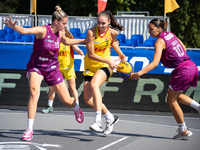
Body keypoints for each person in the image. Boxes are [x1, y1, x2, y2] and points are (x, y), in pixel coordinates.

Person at [3, 5, 85, 141]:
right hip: (36, 66)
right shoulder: (42, 30)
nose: (65, 26)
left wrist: (84, 40)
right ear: (56, 21)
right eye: (63, 23)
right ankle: (29, 129)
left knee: (66, 101)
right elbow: (24, 31)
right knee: (34, 92)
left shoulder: (61, 33)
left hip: (52, 68)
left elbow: (67, 41)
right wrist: (14, 27)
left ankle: (76, 107)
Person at [130, 18, 200, 140]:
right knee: (175, 96)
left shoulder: (159, 42)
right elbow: (183, 48)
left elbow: (155, 63)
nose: (149, 31)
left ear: (159, 29)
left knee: (170, 101)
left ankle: (183, 129)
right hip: (192, 66)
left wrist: (139, 73)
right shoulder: (171, 35)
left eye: (151, 29)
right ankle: (198, 107)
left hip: (183, 70)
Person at [83, 10, 126, 135]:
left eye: (103, 23)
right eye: (98, 23)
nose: (100, 26)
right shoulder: (91, 32)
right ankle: (110, 117)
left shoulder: (113, 32)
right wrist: (108, 59)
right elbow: (90, 54)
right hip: (90, 66)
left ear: (108, 22)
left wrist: (120, 53)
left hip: (104, 66)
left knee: (94, 85)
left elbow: (111, 42)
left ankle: (98, 122)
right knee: (88, 100)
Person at [42, 28, 84, 113]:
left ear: (65, 31)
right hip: (56, 68)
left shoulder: (68, 40)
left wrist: (79, 51)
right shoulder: (54, 41)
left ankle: (77, 106)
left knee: (72, 88)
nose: (60, 32)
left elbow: (76, 47)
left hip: (68, 68)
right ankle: (49, 106)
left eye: (62, 30)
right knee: (51, 88)